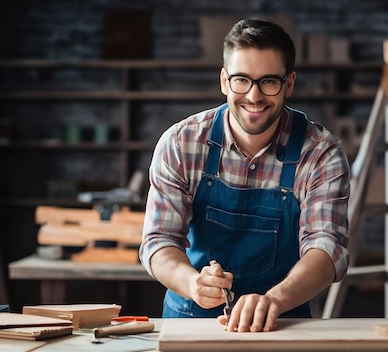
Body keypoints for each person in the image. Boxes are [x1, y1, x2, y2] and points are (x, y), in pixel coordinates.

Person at [140, 18, 350, 332]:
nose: (253, 96)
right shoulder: (180, 143)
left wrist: (275, 299)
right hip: (191, 324)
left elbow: (327, 247)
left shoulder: (320, 153)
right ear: (224, 81)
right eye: (242, 80)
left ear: (288, 84)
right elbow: (159, 240)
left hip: (280, 322)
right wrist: (193, 282)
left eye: (269, 81)